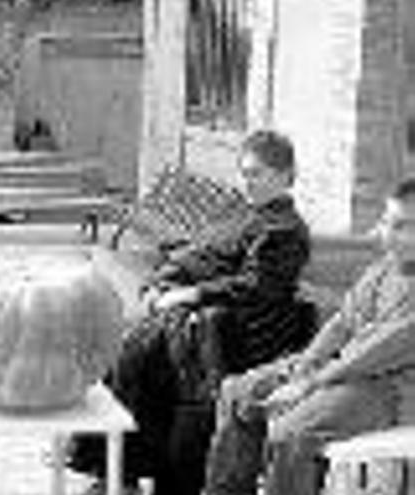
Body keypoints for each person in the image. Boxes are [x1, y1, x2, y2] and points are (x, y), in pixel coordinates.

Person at [66, 130, 315, 495]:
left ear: (286, 177)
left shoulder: (284, 230)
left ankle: (120, 471)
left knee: (146, 347)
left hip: (243, 331)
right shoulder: (241, 215)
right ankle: (117, 469)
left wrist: (192, 293)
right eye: (244, 173)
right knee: (137, 348)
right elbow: (196, 253)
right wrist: (164, 280)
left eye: (257, 174)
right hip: (204, 322)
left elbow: (256, 286)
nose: (248, 182)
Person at [202, 176, 415, 495]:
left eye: (403, 227)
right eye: (387, 222)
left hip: (392, 388)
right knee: (237, 392)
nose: (388, 235)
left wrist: (308, 384)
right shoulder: (383, 269)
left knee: (291, 433)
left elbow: (375, 353)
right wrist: (306, 366)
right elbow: (342, 323)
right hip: (344, 371)